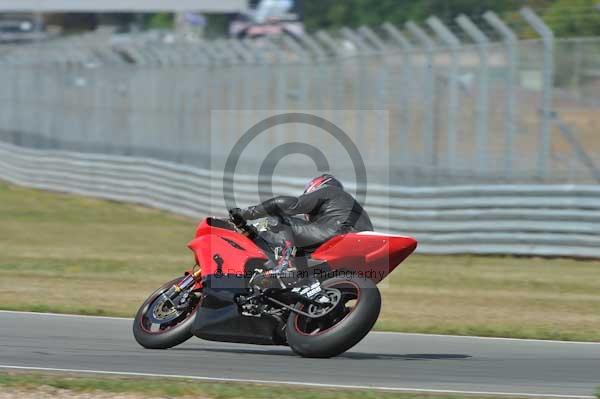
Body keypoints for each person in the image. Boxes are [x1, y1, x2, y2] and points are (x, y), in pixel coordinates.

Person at [229, 174, 373, 291]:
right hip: (357, 250)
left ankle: (282, 265)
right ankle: (302, 285)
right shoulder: (347, 207)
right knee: (299, 253)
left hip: (340, 235)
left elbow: (289, 205)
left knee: (278, 219)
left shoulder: (329, 191)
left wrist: (247, 213)